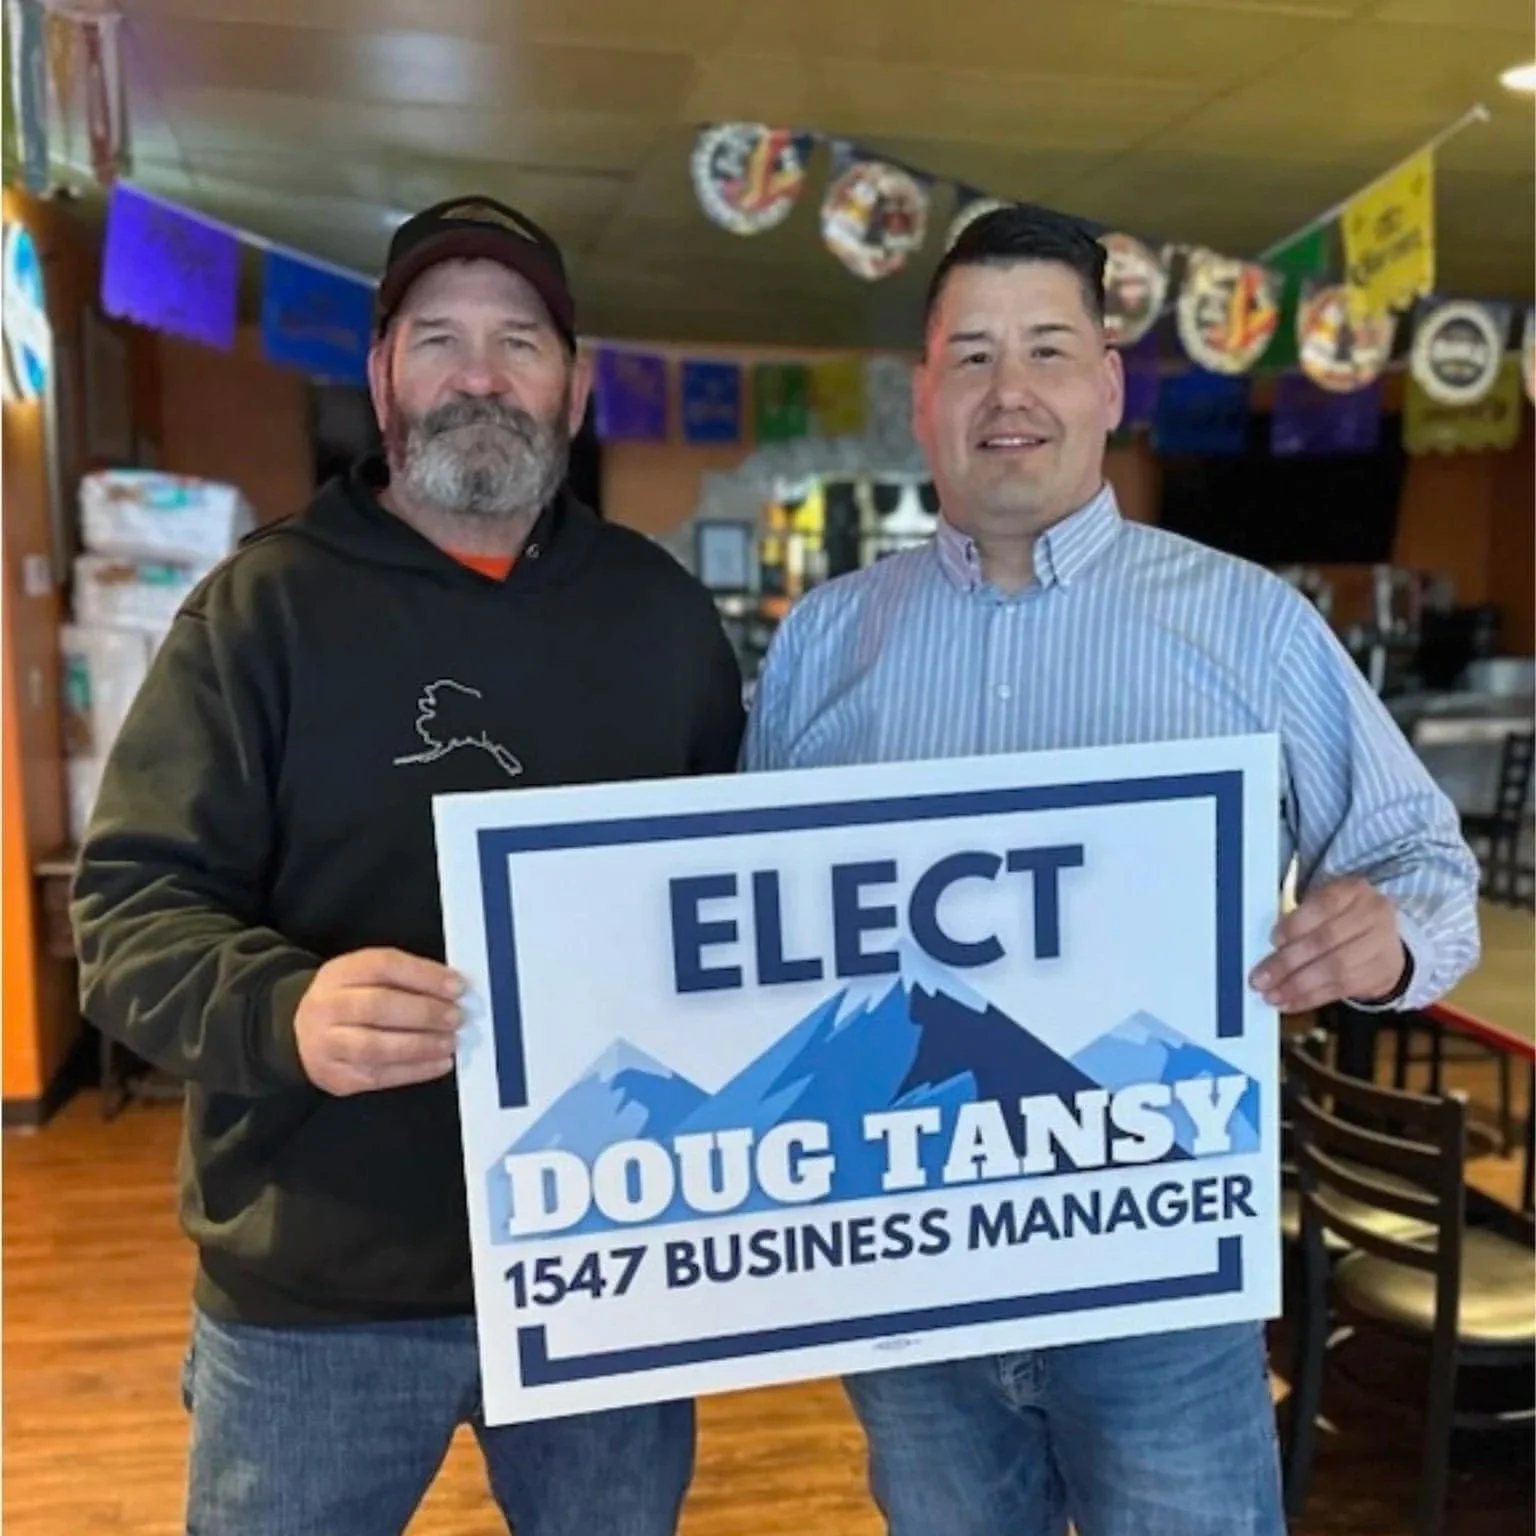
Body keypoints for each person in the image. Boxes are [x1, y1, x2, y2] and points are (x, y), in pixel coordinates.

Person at [739, 204, 1480, 1536]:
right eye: (971, 356)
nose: (1008, 391)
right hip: (906, 1274)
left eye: (1047, 349)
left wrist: (1384, 939)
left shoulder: (1251, 624)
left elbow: (1426, 864)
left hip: (1163, 1279)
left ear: (1110, 385)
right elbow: (750, 928)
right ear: (922, 396)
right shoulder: (823, 644)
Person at [71, 195, 745, 1536]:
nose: (479, 376)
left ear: (575, 388)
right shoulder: (258, 611)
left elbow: (733, 898)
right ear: (382, 378)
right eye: (439, 339)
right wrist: (286, 1009)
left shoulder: (662, 617)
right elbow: (129, 916)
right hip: (321, 1293)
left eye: (520, 342)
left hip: (605, 1262)